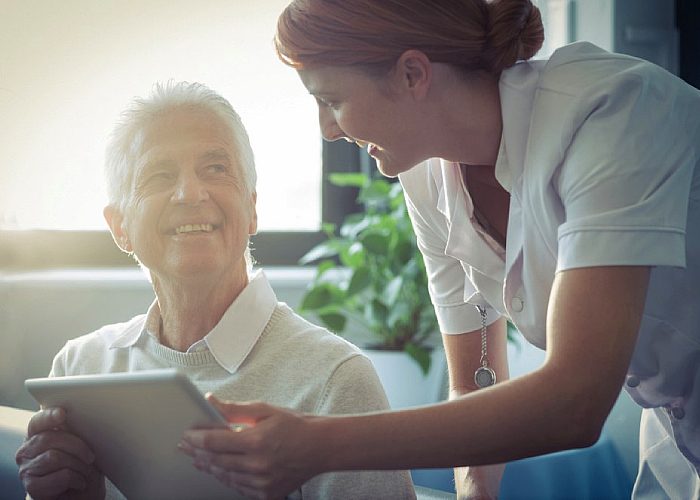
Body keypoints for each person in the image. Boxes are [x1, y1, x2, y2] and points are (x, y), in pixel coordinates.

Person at [176, 1, 700, 499]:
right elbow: (475, 379)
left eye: (332, 101)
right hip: (677, 436)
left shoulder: (611, 113)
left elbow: (576, 401)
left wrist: (316, 444)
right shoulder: (429, 172)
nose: (327, 130)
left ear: (412, 74)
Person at [14, 81, 416, 500]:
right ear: (120, 228)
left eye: (215, 169)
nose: (190, 193)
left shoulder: (335, 380)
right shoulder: (81, 367)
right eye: (159, 175)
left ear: (252, 210)